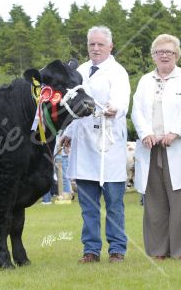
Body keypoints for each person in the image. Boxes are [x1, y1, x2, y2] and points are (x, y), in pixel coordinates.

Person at [131, 34, 181, 260]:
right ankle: (157, 250)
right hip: (152, 147)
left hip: (178, 147)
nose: (164, 55)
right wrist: (145, 133)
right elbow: (137, 110)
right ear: (153, 56)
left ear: (177, 55)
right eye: (159, 52)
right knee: (155, 203)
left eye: (169, 52)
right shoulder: (145, 80)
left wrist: (175, 132)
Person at [62, 26, 130, 263]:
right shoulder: (79, 71)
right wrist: (68, 132)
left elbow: (122, 100)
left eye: (101, 44)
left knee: (113, 203)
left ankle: (117, 250)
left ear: (110, 46)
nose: (96, 48)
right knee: (88, 204)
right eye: (92, 44)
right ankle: (90, 249)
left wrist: (116, 109)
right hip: (84, 144)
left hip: (108, 142)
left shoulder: (118, 72)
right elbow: (71, 105)